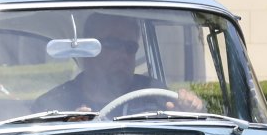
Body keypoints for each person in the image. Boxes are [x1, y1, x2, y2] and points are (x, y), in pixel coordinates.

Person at [33, 13, 205, 114]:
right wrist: (67, 130)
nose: (123, 54)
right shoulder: (54, 104)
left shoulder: (152, 93)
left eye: (130, 47)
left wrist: (190, 109)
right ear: (89, 51)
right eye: (112, 44)